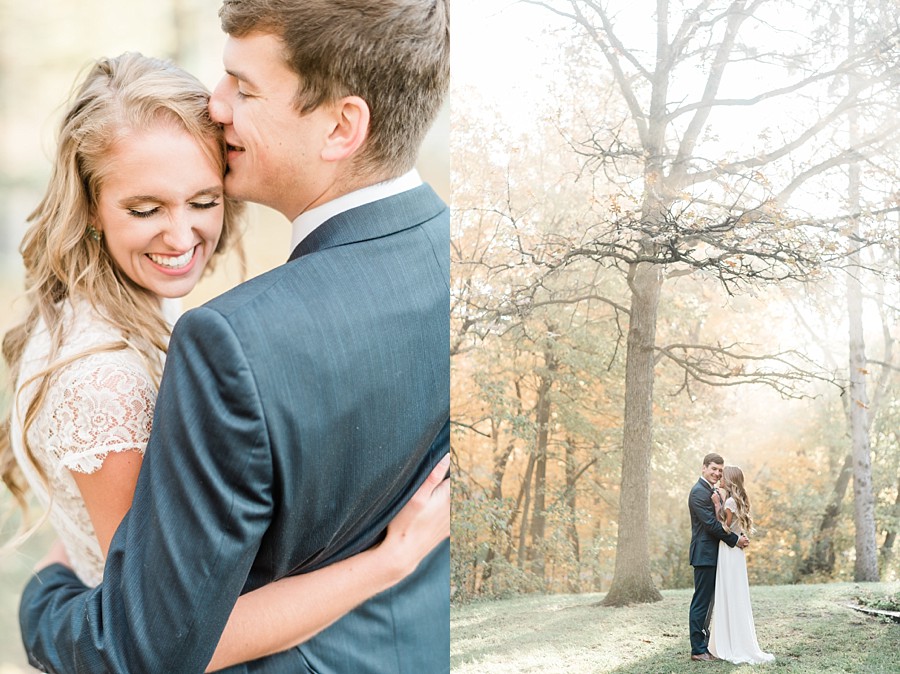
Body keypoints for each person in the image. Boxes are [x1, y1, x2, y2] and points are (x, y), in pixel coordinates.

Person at [18, 1, 451, 672]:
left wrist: (41, 602)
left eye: (243, 88)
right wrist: (391, 560)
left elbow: (148, 643)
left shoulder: (231, 342)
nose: (216, 105)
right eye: (145, 207)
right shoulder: (457, 254)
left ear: (343, 124)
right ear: (92, 207)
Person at [708, 466, 774, 664]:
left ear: (729, 480)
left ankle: (731, 642)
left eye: (723, 475)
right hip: (734, 553)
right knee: (734, 591)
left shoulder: (729, 501)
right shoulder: (738, 500)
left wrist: (716, 506)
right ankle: (731, 637)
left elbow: (726, 528)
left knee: (728, 591)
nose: (719, 477)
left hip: (729, 551)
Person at [687, 452, 749, 662]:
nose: (716, 473)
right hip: (704, 554)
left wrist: (737, 534)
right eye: (713, 469)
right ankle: (697, 649)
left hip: (717, 554)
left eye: (720, 471)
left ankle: (710, 644)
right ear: (704, 468)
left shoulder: (715, 492)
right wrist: (735, 540)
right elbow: (712, 525)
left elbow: (725, 519)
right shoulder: (698, 492)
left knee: (713, 603)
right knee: (702, 602)